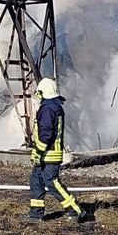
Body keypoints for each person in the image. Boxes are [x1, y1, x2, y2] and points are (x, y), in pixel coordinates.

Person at [23, 77, 84, 223]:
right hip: (46, 154)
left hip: (48, 155)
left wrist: (38, 152)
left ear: (42, 93)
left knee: (51, 182)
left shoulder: (48, 110)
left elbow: (45, 134)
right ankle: (35, 214)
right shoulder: (53, 107)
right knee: (36, 181)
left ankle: (75, 209)